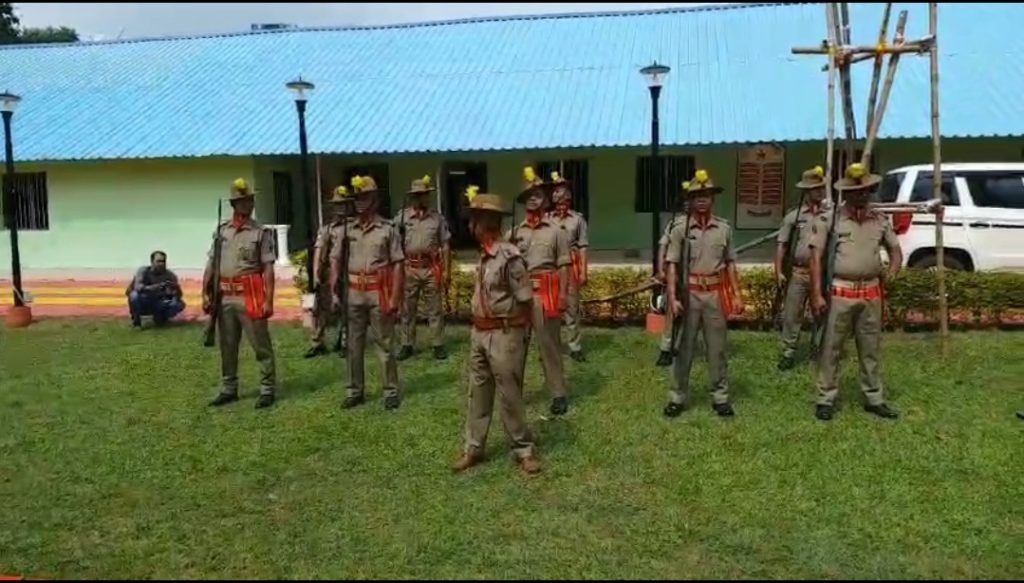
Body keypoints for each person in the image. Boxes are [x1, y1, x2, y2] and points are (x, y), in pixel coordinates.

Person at [452, 186, 541, 476]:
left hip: (504, 335)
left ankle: (523, 449)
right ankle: (473, 447)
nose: (470, 225)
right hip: (480, 333)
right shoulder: (485, 255)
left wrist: (522, 336)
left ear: (487, 222)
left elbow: (526, 299)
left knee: (509, 394)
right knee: (477, 392)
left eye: (474, 219)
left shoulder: (509, 257)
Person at [810, 162, 902, 421]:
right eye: (855, 191)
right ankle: (825, 398)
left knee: (870, 348)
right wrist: (816, 294)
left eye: (865, 190)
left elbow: (895, 250)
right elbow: (815, 257)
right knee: (831, 348)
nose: (861, 195)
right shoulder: (831, 220)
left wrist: (893, 271)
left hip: (871, 293)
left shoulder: (880, 220)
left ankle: (874, 398)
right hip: (840, 292)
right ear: (847, 193)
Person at [663, 170, 744, 418]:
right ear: (690, 199)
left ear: (712, 198)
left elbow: (730, 263)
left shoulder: (723, 229)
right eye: (696, 195)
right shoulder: (680, 229)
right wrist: (673, 298)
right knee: (683, 348)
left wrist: (737, 294)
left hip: (715, 295)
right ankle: (677, 396)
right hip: (689, 294)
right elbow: (672, 265)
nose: (701, 200)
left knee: (717, 349)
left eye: (705, 195)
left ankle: (720, 397)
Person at [331, 175, 404, 411]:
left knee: (385, 343)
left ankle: (390, 390)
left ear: (375, 199)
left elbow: (398, 264)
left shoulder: (387, 229)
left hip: (378, 292)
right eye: (357, 198)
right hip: (354, 292)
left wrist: (395, 297)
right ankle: (355, 391)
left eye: (365, 197)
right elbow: (336, 260)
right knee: (353, 344)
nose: (360, 202)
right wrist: (334, 290)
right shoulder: (347, 229)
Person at [205, 178, 278, 410]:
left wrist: (268, 300)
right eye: (243, 201)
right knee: (227, 345)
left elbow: (268, 268)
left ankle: (267, 388)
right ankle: (229, 388)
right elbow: (212, 263)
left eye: (250, 200)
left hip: (251, 293)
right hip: (225, 294)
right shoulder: (222, 232)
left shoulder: (260, 233)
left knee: (260, 344)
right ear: (234, 204)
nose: (248, 204)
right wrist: (205, 291)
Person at [511, 166, 571, 417]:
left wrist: (563, 295)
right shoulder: (515, 232)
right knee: (516, 347)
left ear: (545, 199)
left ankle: (558, 393)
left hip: (546, 294)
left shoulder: (556, 231)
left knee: (549, 346)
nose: (533, 199)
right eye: (529, 196)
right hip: (521, 296)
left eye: (537, 194)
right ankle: (514, 392)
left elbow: (564, 265)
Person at [775, 166, 832, 370]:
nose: (819, 192)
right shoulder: (794, 216)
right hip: (798, 272)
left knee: (822, 312)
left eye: (821, 188)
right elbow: (782, 244)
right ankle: (788, 352)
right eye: (814, 188)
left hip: (822, 273)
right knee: (792, 314)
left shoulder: (831, 216)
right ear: (806, 191)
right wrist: (778, 271)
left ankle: (818, 349)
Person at [394, 175, 452, 361]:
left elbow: (445, 245)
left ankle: (438, 343)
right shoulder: (402, 218)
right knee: (407, 309)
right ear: (412, 197)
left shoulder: (437, 219)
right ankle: (407, 344)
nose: (420, 198)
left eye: (423, 195)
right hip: (409, 267)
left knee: (434, 308)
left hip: (430, 267)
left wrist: (446, 270)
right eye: (417, 195)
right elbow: (394, 242)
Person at [306, 186, 354, 358]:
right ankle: (317, 342)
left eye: (344, 204)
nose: (341, 208)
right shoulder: (327, 229)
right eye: (338, 204)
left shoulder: (354, 227)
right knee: (321, 309)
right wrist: (316, 273)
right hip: (328, 272)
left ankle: (345, 342)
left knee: (346, 308)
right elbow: (318, 251)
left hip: (348, 271)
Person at [547, 171, 590, 363]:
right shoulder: (547, 218)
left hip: (571, 265)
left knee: (572, 306)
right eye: (557, 192)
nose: (560, 197)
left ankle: (575, 347)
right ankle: (552, 345)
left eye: (564, 192)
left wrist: (584, 271)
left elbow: (583, 247)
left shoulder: (578, 219)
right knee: (551, 307)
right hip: (551, 266)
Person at [127, 250, 185, 328]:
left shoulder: (170, 275)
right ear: (152, 262)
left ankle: (161, 318)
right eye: (159, 261)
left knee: (178, 304)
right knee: (134, 295)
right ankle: (136, 321)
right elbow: (138, 287)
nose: (161, 264)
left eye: (163, 261)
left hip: (159, 301)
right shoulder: (143, 271)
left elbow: (178, 295)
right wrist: (155, 287)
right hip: (144, 300)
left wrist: (176, 288)